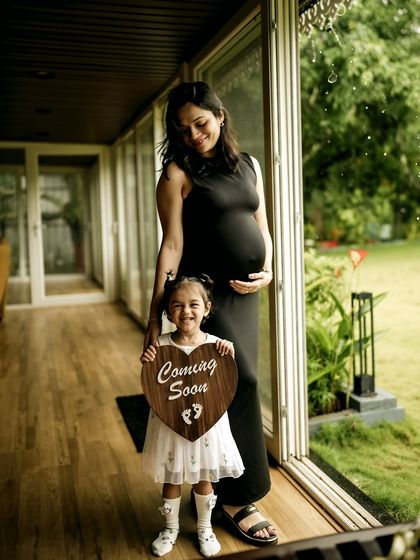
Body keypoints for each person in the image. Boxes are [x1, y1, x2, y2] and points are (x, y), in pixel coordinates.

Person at [143, 81, 277, 546]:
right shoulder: (177, 175)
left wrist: (269, 269)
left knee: (243, 382)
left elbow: (262, 225)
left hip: (247, 292)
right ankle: (238, 500)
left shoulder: (250, 166)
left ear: (220, 116)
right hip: (206, 299)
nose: (194, 135)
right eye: (184, 129)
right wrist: (154, 315)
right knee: (235, 384)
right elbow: (172, 246)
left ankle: (226, 490)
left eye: (201, 123)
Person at [140, 274, 244, 557]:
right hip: (171, 422)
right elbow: (153, 382)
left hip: (207, 423)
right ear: (168, 312)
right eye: (177, 305)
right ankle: (170, 528)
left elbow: (226, 377)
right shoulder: (160, 346)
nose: (186, 311)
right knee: (172, 476)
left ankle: (204, 527)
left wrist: (229, 353)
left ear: (207, 308)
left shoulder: (216, 345)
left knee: (203, 476)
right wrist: (148, 360)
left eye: (193, 304)